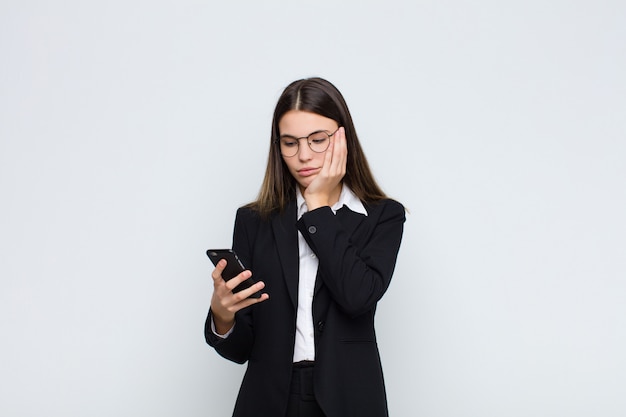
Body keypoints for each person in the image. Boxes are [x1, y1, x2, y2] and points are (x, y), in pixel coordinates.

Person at [205, 77, 405, 417]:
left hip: (350, 399)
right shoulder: (254, 221)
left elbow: (357, 297)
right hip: (271, 400)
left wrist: (318, 208)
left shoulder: (382, 216)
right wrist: (223, 318)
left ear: (343, 139)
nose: (304, 156)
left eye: (318, 140)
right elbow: (241, 351)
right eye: (290, 143)